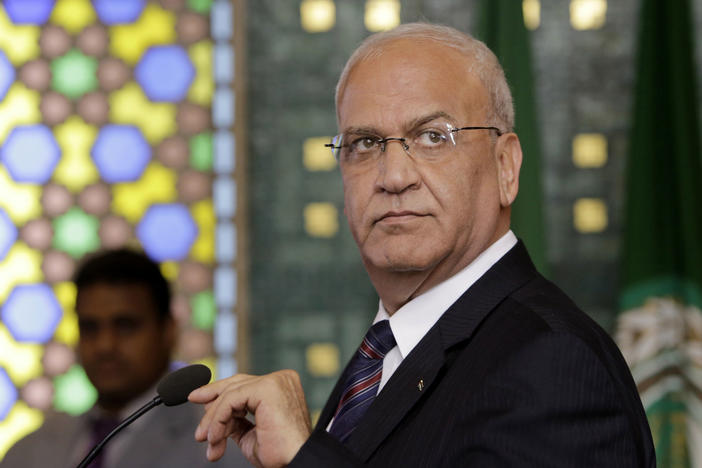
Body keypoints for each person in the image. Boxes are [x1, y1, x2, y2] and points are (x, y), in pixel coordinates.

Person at [189, 23, 656, 467]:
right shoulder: (387, 350)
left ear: (505, 168)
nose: (393, 177)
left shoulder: (550, 362)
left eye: (434, 137)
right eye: (366, 143)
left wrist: (306, 458)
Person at [1, 248, 250, 468]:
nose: (104, 345)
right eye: (90, 327)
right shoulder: (29, 452)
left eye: (125, 326)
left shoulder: (223, 442)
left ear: (168, 331)